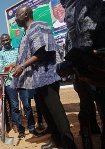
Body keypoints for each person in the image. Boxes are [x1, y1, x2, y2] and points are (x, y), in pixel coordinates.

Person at [11, 6, 77, 149]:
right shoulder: (26, 32)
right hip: (37, 77)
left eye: (17, 15)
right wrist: (15, 65)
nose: (15, 18)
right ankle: (56, 140)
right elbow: (27, 54)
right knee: (46, 111)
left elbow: (42, 52)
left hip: (47, 74)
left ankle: (68, 143)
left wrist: (21, 67)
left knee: (55, 110)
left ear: (26, 14)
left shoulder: (39, 26)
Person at [60, 0, 105, 148]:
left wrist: (85, 52)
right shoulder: (72, 6)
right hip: (85, 62)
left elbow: (88, 27)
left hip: (96, 55)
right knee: (94, 99)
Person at [0, 33, 40, 138]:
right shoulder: (0, 54)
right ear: (1, 42)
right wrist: (12, 66)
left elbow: (22, 62)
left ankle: (31, 127)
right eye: (3, 41)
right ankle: (20, 129)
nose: (6, 42)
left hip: (22, 80)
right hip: (9, 83)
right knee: (15, 107)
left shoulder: (17, 50)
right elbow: (1, 69)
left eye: (7, 40)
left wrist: (11, 65)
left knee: (27, 105)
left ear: (10, 40)